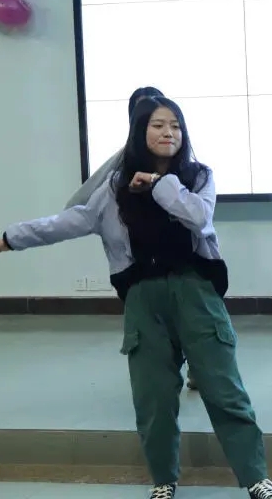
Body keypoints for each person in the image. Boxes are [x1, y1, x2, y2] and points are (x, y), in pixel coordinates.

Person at [0, 97, 272, 499]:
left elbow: (198, 217)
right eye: (158, 125)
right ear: (140, 132)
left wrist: (160, 184)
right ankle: (163, 481)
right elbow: (70, 220)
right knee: (153, 399)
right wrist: (9, 239)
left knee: (224, 390)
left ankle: (256, 479)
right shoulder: (115, 187)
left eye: (175, 126)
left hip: (195, 292)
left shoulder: (197, 176)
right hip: (143, 300)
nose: (168, 133)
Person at [67, 86, 198, 393]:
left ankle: (195, 365)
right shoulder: (123, 161)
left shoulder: (182, 159)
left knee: (192, 317)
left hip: (180, 259)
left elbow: (197, 209)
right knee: (152, 326)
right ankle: (164, 373)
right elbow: (79, 203)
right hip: (137, 261)